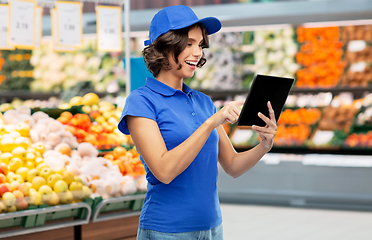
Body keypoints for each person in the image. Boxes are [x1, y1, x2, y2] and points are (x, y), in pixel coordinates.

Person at [118, 5, 277, 240]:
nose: (198, 52)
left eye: (200, 45)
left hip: (212, 228)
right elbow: (164, 171)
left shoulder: (203, 102)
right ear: (166, 45)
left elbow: (232, 165)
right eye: (190, 43)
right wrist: (210, 123)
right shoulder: (141, 102)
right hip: (166, 230)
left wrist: (264, 144)